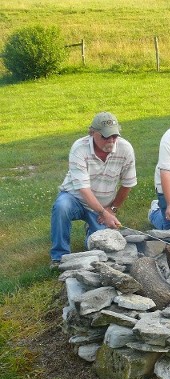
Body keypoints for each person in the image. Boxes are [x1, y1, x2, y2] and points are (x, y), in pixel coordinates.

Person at [50, 112, 137, 269]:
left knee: (100, 249)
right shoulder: (79, 148)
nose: (111, 140)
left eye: (114, 136)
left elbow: (128, 183)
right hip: (75, 198)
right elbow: (83, 189)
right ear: (92, 133)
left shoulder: (125, 149)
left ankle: (90, 232)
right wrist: (103, 213)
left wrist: (112, 210)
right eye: (105, 136)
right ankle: (59, 257)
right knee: (61, 207)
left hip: (103, 204)